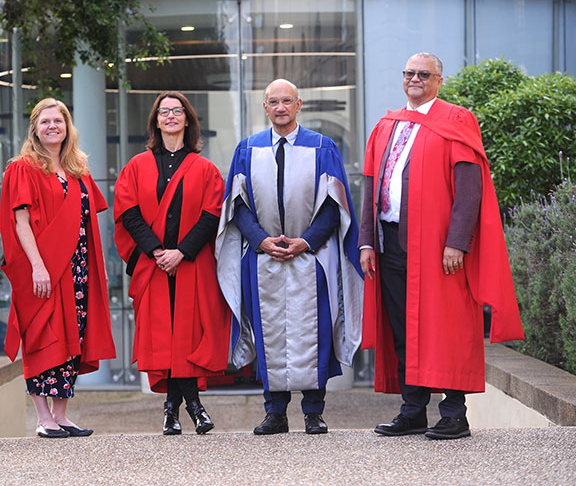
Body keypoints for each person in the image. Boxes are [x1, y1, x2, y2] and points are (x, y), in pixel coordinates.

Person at [359, 52, 525, 440]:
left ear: (438, 80)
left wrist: (457, 243)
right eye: (410, 73)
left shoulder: (456, 120)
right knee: (403, 329)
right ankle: (413, 410)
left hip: (438, 248)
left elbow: (470, 189)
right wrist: (367, 240)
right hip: (392, 243)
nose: (415, 79)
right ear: (403, 79)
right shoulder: (388, 124)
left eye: (424, 74)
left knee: (447, 327)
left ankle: (454, 413)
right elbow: (370, 183)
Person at [216, 79, 363, 435]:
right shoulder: (247, 149)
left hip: (312, 259)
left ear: (299, 105)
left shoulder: (323, 147)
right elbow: (237, 206)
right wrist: (262, 241)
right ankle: (275, 412)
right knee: (271, 335)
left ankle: (314, 411)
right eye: (273, 102)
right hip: (263, 258)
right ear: (265, 108)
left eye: (287, 101)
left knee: (314, 333)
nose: (280, 108)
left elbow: (335, 206)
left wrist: (305, 242)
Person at [114, 91, 231, 435]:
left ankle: (173, 409)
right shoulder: (136, 166)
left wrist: (182, 252)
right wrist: (156, 252)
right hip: (154, 265)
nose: (170, 116)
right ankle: (192, 407)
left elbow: (211, 217)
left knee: (188, 336)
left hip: (191, 264)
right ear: (156, 120)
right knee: (165, 337)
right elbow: (129, 214)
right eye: (164, 111)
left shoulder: (206, 168)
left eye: (176, 111)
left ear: (187, 119)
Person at [0, 98, 116, 438]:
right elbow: (21, 223)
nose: (53, 126)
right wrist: (37, 266)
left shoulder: (78, 169)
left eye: (59, 121)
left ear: (68, 128)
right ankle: (42, 417)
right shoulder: (24, 167)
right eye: (46, 121)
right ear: (35, 128)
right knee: (42, 336)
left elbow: (87, 219)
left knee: (72, 336)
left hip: (77, 268)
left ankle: (61, 414)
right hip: (44, 268)